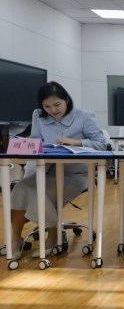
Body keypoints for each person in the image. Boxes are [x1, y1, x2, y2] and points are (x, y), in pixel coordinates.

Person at [10, 81, 107, 259]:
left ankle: (53, 234)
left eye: (57, 105)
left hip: (76, 174)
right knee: (20, 188)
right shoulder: (38, 116)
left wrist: (77, 142)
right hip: (45, 170)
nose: (53, 110)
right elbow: (36, 142)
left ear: (66, 100)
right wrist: (27, 145)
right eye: (47, 106)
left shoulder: (83, 116)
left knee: (35, 192)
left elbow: (102, 144)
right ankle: (15, 238)